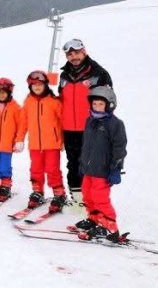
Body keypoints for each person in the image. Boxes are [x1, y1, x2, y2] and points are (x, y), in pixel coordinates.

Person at [58, 38, 112, 202]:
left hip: (91, 128)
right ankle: (78, 200)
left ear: (84, 51)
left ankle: (93, 200)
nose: (73, 57)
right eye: (70, 54)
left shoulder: (99, 73)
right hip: (69, 130)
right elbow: (61, 102)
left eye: (76, 53)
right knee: (73, 164)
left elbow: (108, 103)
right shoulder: (64, 75)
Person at [74, 86, 127, 243]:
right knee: (88, 195)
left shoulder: (116, 124)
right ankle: (94, 219)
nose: (97, 107)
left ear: (109, 105)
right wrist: (82, 163)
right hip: (89, 169)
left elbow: (119, 149)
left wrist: (115, 168)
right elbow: (86, 145)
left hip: (103, 171)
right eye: (95, 104)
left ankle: (110, 227)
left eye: (101, 104)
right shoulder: (89, 120)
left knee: (100, 199)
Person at [18, 70, 66, 208]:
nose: (37, 87)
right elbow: (23, 122)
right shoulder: (28, 102)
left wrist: (63, 140)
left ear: (46, 85)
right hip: (34, 144)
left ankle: (59, 194)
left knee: (52, 169)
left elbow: (63, 121)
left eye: (40, 84)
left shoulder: (54, 101)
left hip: (52, 144)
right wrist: (20, 139)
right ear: (30, 87)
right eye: (34, 85)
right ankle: (37, 192)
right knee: (35, 169)